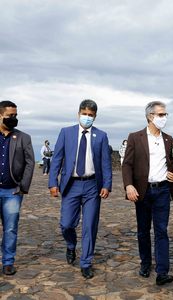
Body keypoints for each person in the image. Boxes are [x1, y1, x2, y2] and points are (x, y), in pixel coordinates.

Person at [49, 99, 112, 279]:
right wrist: (53, 182)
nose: (87, 117)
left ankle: (86, 262)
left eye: (90, 115)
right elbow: (57, 159)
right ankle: (71, 245)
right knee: (66, 224)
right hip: (71, 185)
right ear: (78, 114)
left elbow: (106, 163)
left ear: (95, 116)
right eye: (84, 114)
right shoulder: (66, 133)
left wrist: (107, 185)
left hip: (93, 185)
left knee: (90, 225)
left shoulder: (101, 136)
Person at [122, 101, 173, 286]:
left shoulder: (169, 139)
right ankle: (145, 263)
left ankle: (162, 271)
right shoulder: (135, 137)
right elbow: (127, 164)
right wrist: (128, 186)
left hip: (163, 190)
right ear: (150, 116)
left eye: (165, 115)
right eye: (161, 114)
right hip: (142, 191)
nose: (164, 118)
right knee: (143, 230)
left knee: (161, 231)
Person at [0, 100, 35, 275]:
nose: (13, 119)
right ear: (0, 115)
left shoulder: (23, 137)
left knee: (11, 228)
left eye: (15, 116)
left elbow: (30, 163)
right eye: (9, 116)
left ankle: (8, 261)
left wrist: (23, 186)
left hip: (12, 191)